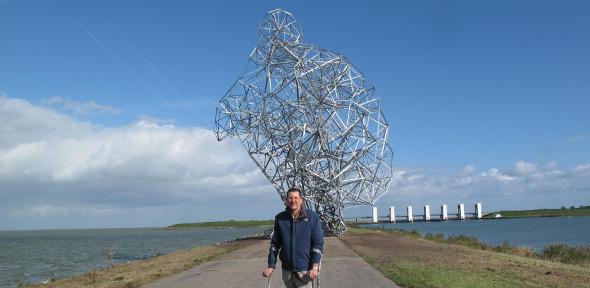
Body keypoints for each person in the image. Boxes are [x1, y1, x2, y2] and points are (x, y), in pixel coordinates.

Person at [262, 187, 324, 288]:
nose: (293, 201)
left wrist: (315, 267)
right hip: (287, 272)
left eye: (296, 198)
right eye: (290, 198)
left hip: (305, 272)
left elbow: (318, 244)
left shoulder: (312, 218)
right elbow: (275, 244)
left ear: (301, 200)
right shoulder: (280, 219)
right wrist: (271, 266)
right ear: (286, 200)